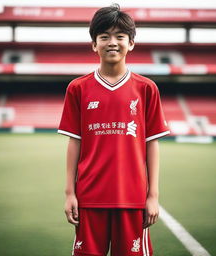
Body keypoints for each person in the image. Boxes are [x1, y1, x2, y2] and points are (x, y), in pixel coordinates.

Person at [58, 4, 170, 256]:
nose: (112, 42)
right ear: (93, 44)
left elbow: (151, 144)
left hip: (132, 199)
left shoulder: (146, 88)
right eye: (104, 36)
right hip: (89, 198)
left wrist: (152, 195)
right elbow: (74, 143)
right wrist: (69, 193)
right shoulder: (78, 88)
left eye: (120, 36)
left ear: (131, 43)